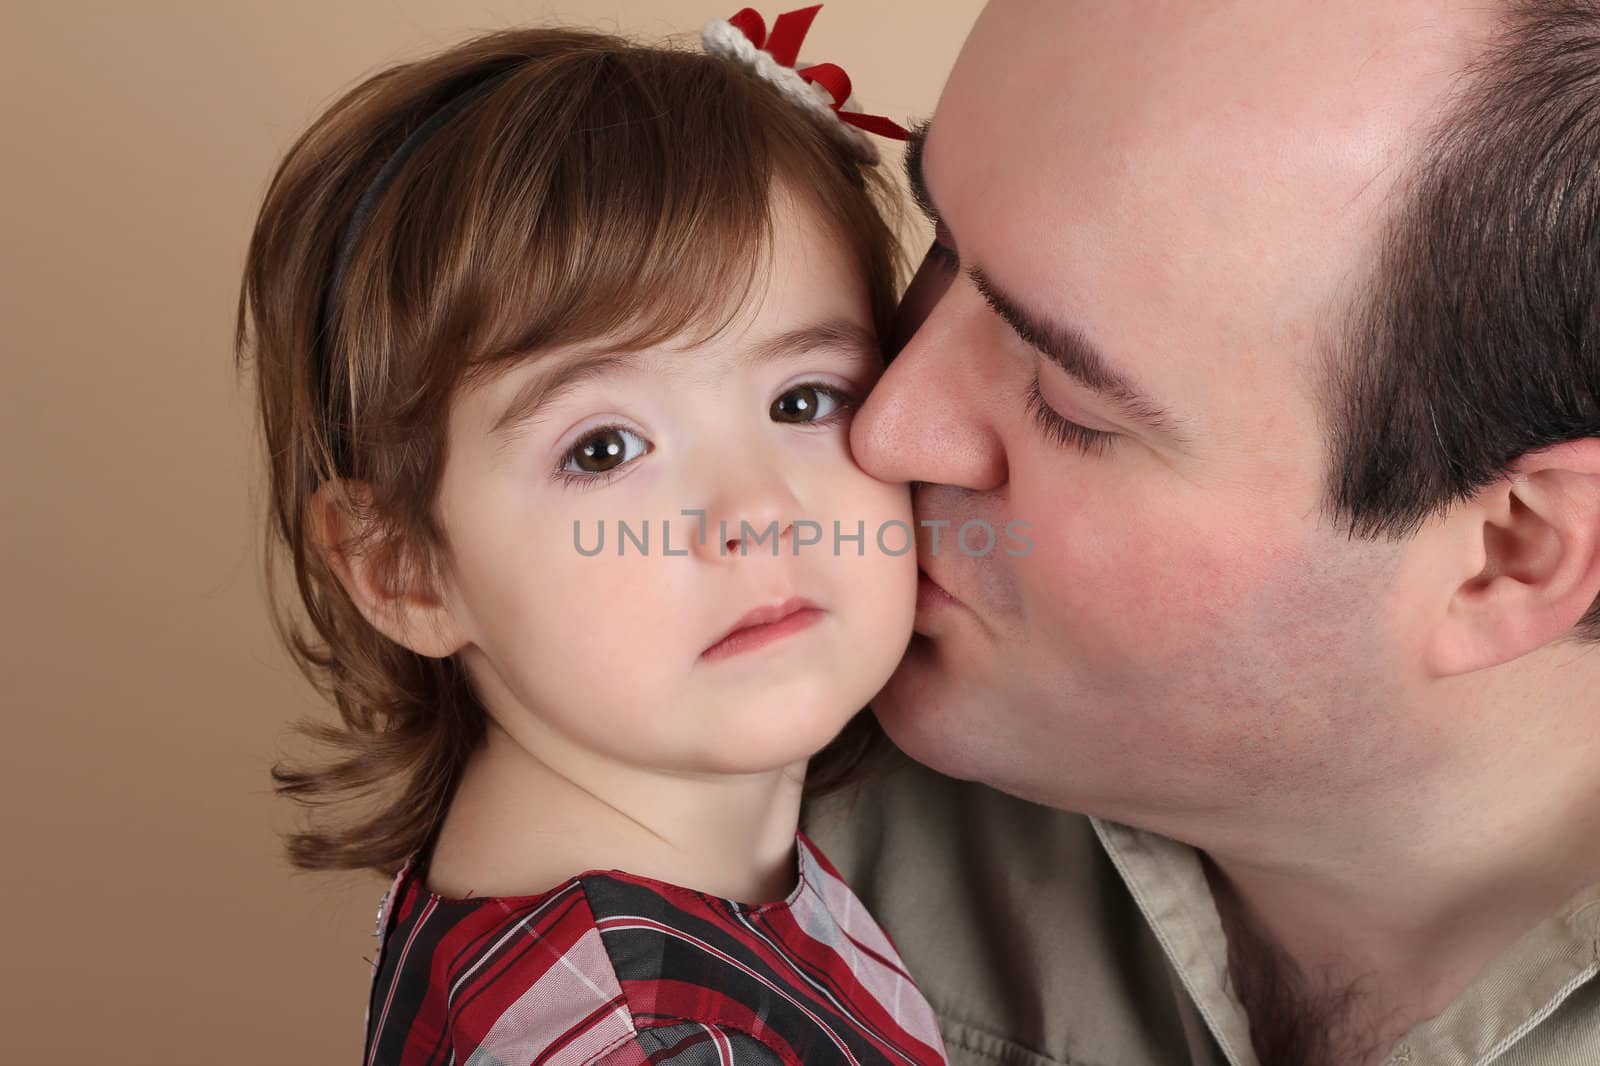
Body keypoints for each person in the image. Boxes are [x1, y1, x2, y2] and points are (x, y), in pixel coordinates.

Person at [802, 1, 1600, 1064]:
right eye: (939, 246)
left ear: (1511, 556)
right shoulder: (702, 773)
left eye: (1064, 401)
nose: (884, 429)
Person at [235, 11, 951, 1064]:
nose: (755, 511)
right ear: (405, 568)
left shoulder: (669, 862)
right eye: (605, 449)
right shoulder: (643, 1036)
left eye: (802, 401)